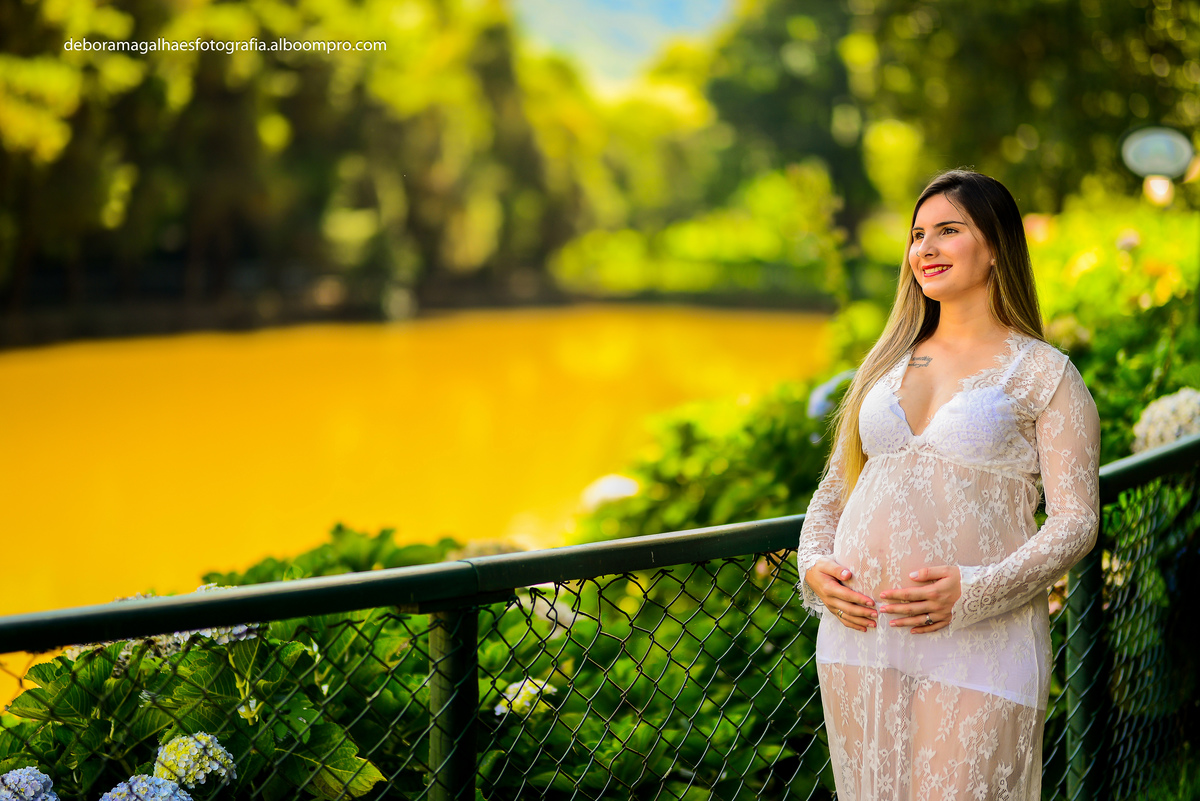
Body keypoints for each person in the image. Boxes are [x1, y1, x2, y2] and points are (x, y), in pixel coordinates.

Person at [795, 169, 1101, 800]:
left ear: (995, 246)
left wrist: (976, 591)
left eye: (948, 231)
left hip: (982, 637)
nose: (924, 249)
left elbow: (1076, 521)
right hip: (861, 634)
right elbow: (836, 486)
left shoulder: (1045, 373)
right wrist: (813, 564)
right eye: (916, 235)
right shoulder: (887, 363)